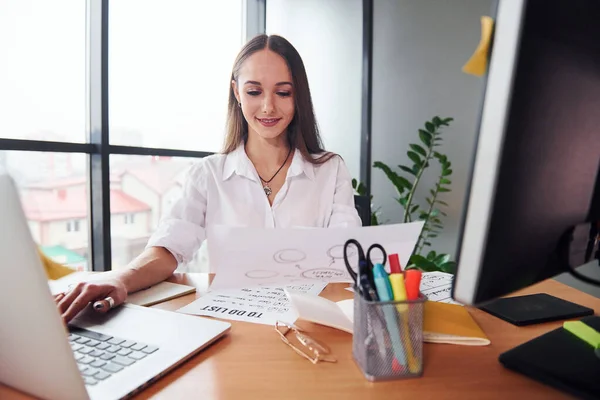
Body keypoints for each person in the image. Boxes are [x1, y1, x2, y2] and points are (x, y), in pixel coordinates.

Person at [56, 34, 362, 323]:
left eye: (283, 93)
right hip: (235, 327)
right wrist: (119, 278)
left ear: (299, 96)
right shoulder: (208, 174)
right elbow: (168, 248)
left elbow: (346, 256)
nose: (268, 106)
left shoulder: (330, 169)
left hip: (311, 324)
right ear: (236, 92)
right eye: (254, 91)